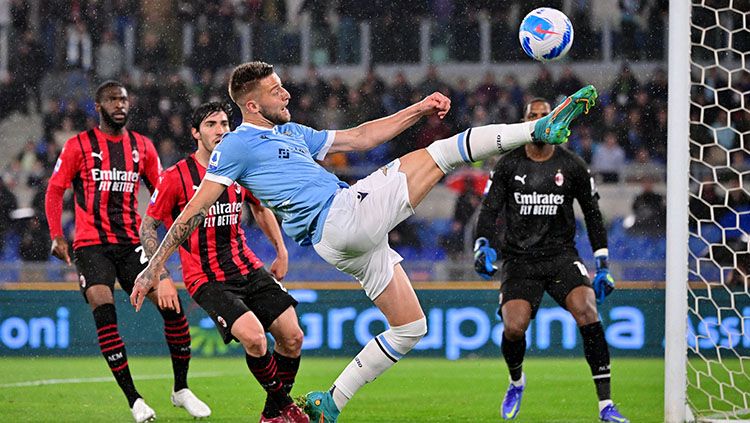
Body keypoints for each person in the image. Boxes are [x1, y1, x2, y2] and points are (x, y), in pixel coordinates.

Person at [130, 61, 597, 422]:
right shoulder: (235, 145)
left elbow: (359, 137)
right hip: (340, 217)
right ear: (251, 104)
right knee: (441, 153)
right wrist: (154, 267)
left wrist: (416, 109)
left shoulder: (291, 133)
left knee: (411, 328)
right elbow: (192, 210)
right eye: (275, 90)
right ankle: (537, 129)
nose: (286, 92)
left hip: (343, 242)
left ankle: (331, 401)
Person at [44, 81, 210, 423]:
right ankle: (134, 399)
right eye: (113, 99)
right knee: (103, 308)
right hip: (90, 245)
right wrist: (58, 235)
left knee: (173, 307)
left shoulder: (142, 147)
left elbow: (163, 194)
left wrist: (178, 229)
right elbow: (55, 189)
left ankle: (181, 389)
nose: (120, 104)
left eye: (123, 99)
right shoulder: (79, 145)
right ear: (98, 106)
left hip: (132, 243)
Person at [140, 102, 308, 423]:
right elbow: (148, 225)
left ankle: (272, 414)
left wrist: (281, 250)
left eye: (224, 124)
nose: (220, 130)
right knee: (256, 339)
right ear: (195, 133)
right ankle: (287, 408)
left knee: (293, 337)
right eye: (211, 124)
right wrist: (160, 274)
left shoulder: (240, 166)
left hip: (246, 266)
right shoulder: (176, 177)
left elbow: (260, 208)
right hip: (207, 278)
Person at [472, 98, 629, 422]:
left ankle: (606, 406)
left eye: (546, 115)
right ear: (525, 122)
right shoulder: (508, 164)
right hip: (520, 260)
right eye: (534, 116)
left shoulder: (572, 164)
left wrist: (602, 264)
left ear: (556, 120)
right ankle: (516, 381)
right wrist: (482, 244)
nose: (541, 120)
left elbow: (593, 215)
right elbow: (489, 210)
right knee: (514, 328)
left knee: (587, 310)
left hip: (561, 256)